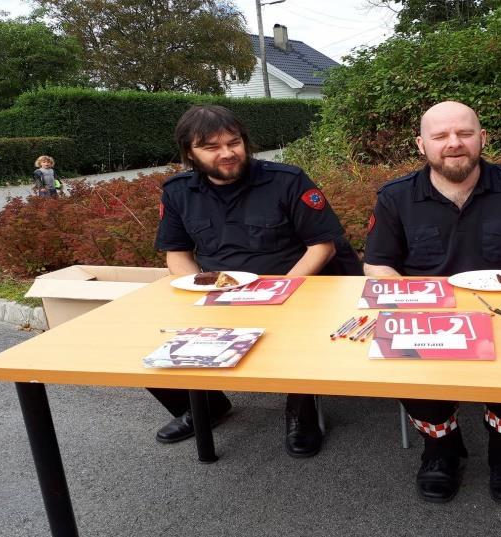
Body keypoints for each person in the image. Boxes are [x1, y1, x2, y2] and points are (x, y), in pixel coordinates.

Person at [362, 101, 501, 505]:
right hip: (427, 315)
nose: (454, 144)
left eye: (465, 134)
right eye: (440, 136)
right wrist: (415, 312)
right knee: (412, 375)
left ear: (482, 138)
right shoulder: (396, 197)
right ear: (421, 145)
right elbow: (378, 265)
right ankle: (441, 452)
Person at [149, 104, 362, 458]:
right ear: (190, 153)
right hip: (222, 291)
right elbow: (177, 254)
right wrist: (200, 291)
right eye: (212, 147)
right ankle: (207, 405)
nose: (228, 153)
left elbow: (322, 245)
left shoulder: (287, 181)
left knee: (295, 328)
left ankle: (300, 406)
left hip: (296, 287)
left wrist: (282, 292)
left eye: (234, 142)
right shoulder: (178, 191)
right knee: (139, 339)